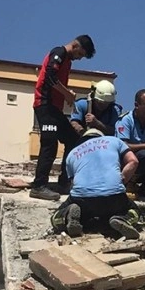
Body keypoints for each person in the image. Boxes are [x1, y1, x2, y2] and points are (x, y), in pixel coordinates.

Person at [31, 34, 96, 201]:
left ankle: (64, 181)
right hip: (45, 105)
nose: (79, 58)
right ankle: (38, 186)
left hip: (54, 109)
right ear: (75, 46)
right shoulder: (58, 52)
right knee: (50, 143)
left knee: (73, 139)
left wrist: (66, 94)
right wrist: (67, 93)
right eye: (80, 54)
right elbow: (50, 76)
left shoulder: (67, 60)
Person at [50, 129, 142, 240]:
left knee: (55, 217)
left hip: (83, 199)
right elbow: (133, 161)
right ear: (101, 136)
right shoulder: (114, 141)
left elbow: (73, 184)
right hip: (114, 198)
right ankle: (123, 218)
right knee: (135, 211)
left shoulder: (72, 153)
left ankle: (67, 216)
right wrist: (121, 181)